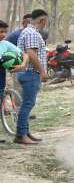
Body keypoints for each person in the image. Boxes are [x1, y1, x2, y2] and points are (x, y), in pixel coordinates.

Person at [15, 9, 48, 145]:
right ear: (42, 21)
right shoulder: (32, 33)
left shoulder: (27, 32)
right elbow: (31, 54)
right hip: (30, 73)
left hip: (27, 73)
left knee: (27, 103)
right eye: (45, 21)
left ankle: (26, 132)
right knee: (27, 104)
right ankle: (21, 135)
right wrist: (42, 71)